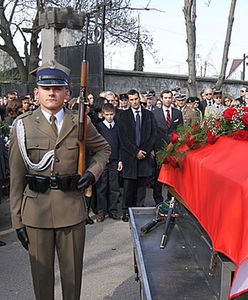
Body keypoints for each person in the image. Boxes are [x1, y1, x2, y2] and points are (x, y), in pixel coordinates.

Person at [9, 60, 111, 300]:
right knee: (41, 279)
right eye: (46, 88)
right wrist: (17, 221)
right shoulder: (23, 126)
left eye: (57, 88)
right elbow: (16, 176)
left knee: (72, 277)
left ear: (67, 93)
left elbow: (104, 149)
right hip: (36, 211)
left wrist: (92, 173)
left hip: (71, 210)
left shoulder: (80, 122)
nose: (52, 92)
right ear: (37, 92)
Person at [118, 89, 157, 222]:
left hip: (144, 156)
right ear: (128, 101)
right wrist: (135, 152)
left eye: (136, 99)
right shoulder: (123, 116)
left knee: (142, 186)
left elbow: (153, 135)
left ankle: (139, 209)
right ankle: (126, 211)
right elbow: (122, 138)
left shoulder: (149, 115)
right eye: (131, 100)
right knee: (129, 186)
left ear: (139, 99)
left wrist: (144, 151)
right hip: (130, 156)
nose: (134, 102)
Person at [153, 89, 183, 204]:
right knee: (158, 175)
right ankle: (158, 199)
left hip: (173, 149)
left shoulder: (177, 113)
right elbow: (152, 131)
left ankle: (171, 199)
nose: (168, 100)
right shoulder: (155, 113)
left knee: (172, 175)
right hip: (159, 148)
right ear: (161, 99)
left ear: (172, 98)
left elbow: (180, 131)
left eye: (169, 97)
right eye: (165, 97)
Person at [95, 103, 122, 222]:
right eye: (107, 115)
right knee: (101, 187)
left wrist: (120, 160)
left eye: (111, 114)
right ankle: (101, 211)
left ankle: (113, 210)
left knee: (114, 187)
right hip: (102, 161)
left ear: (114, 114)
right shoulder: (99, 127)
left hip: (114, 160)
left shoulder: (118, 127)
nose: (109, 117)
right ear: (102, 114)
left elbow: (121, 145)